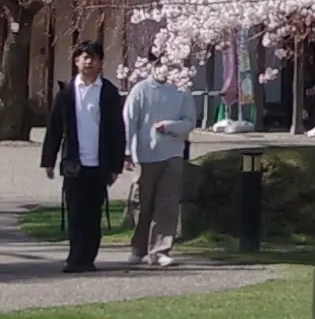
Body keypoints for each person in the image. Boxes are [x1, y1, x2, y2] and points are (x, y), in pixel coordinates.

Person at [36, 42, 132, 271]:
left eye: (93, 58)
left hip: (99, 163)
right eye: (83, 57)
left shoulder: (107, 92)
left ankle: (87, 257)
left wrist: (115, 166)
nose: (88, 62)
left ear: (100, 63)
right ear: (76, 61)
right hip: (73, 162)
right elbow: (55, 127)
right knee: (75, 211)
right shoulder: (67, 90)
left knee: (93, 212)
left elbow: (116, 130)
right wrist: (48, 160)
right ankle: (74, 256)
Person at [122, 47, 198, 268]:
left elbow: (189, 121)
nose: (167, 69)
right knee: (142, 203)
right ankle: (138, 248)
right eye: (162, 63)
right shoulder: (141, 90)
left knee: (167, 204)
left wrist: (170, 126)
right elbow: (129, 123)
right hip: (144, 156)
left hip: (172, 153)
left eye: (172, 64)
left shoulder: (182, 90)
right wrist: (127, 152)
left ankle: (160, 250)